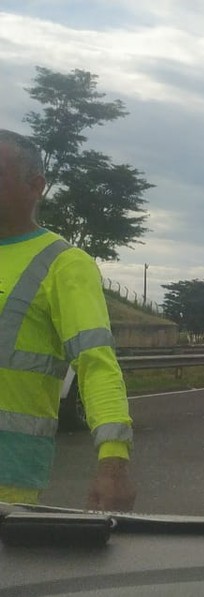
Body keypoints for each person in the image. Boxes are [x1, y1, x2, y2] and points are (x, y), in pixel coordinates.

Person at [0, 130, 136, 509]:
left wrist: (113, 463)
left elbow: (96, 364)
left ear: (36, 186)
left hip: (7, 473)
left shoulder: (64, 264)